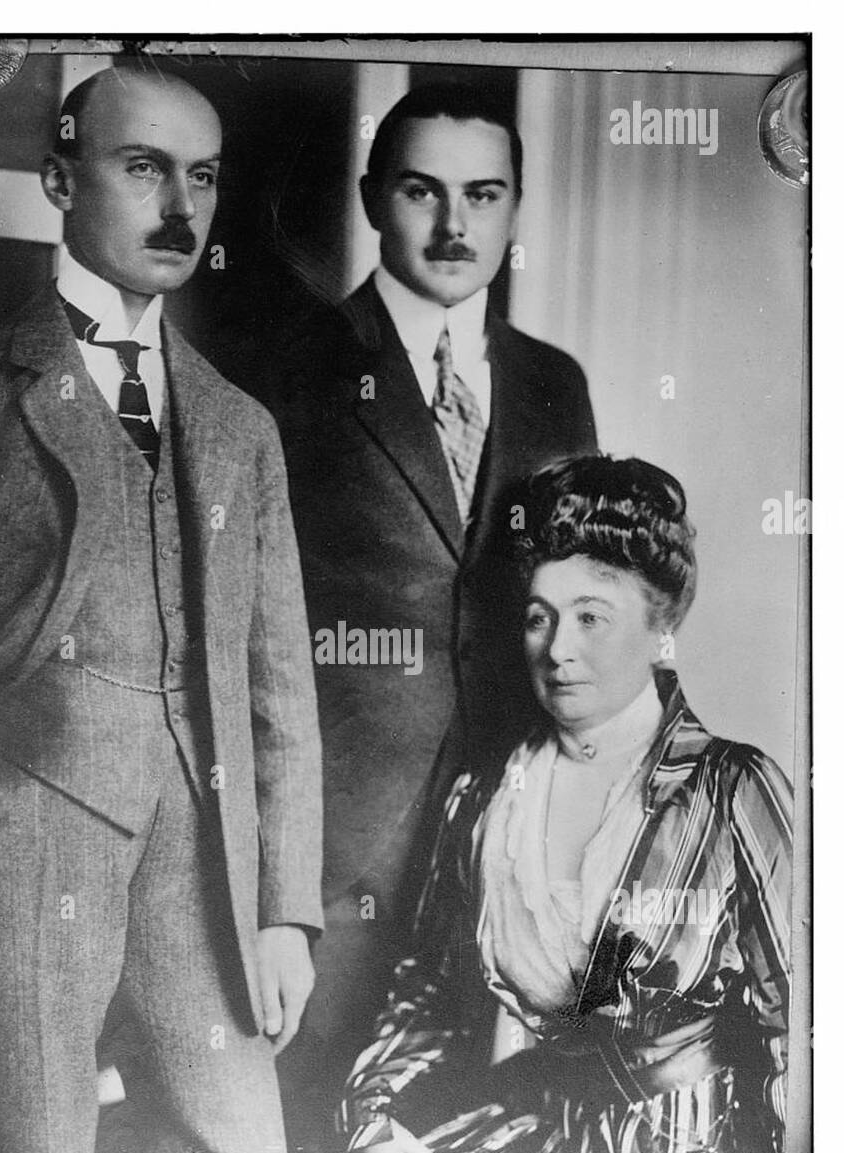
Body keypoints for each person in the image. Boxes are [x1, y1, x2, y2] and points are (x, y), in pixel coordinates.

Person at [0, 66, 323, 1153]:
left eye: (200, 176)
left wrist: (285, 914)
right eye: (142, 167)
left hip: (201, 868)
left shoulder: (236, 425)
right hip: (23, 843)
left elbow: (278, 690)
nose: (179, 207)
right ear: (60, 178)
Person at [341, 456, 791, 1153]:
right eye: (538, 617)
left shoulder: (731, 789)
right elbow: (428, 994)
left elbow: (807, 1019)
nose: (556, 650)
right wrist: (378, 1126)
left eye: (591, 617)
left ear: (659, 632)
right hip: (521, 1141)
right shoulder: (484, 798)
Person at [261, 83, 598, 1087]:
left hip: (508, 841)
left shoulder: (554, 383)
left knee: (469, 1143)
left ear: (512, 208)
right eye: (422, 191)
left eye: (484, 196)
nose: (456, 226)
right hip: (337, 853)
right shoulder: (284, 370)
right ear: (372, 199)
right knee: (320, 1137)